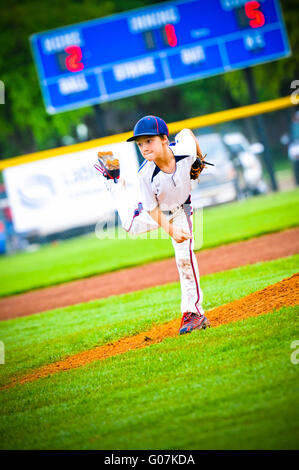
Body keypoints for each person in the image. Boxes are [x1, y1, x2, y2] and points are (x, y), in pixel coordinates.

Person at [96, 115, 210, 335]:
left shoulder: (184, 151)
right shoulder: (145, 175)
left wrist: (199, 157)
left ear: (164, 139)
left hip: (182, 208)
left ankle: (193, 313)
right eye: (140, 144)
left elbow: (186, 132)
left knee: (184, 258)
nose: (144, 147)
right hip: (157, 210)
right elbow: (151, 209)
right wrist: (170, 230)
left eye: (149, 141)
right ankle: (114, 181)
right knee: (130, 225)